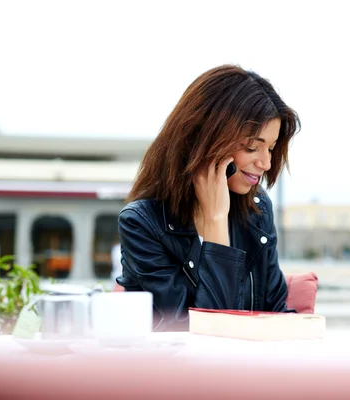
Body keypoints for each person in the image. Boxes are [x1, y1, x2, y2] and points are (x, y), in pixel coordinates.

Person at [116, 65, 301, 331]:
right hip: (180, 370)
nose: (266, 163)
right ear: (205, 141)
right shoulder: (142, 224)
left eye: (271, 149)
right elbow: (201, 335)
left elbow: (274, 312)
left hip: (250, 368)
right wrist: (216, 222)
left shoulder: (257, 210)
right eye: (252, 147)